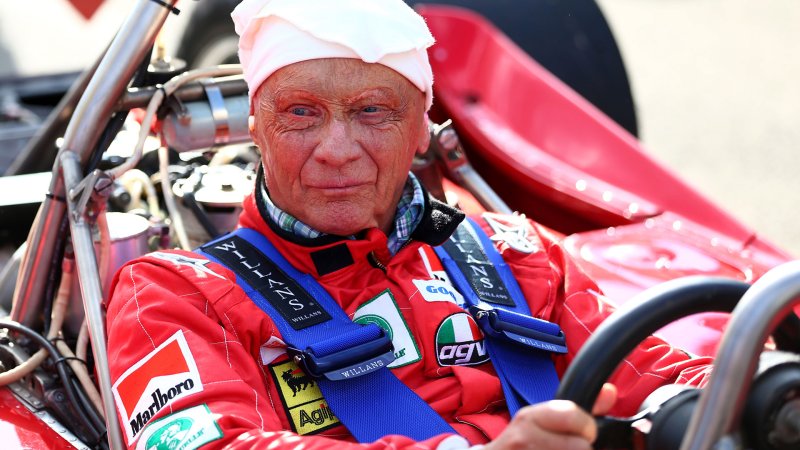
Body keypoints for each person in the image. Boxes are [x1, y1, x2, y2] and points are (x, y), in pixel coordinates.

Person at [106, 0, 712, 449]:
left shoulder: (517, 253)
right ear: (256, 128)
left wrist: (739, 398)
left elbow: (659, 377)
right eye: (300, 113)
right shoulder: (172, 293)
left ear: (423, 126)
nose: (336, 150)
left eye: (373, 111)